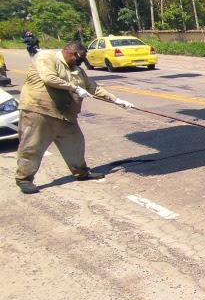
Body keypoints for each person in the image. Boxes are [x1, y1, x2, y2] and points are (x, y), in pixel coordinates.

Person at [15, 41, 136, 194]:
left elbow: (94, 88)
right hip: (39, 111)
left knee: (75, 143)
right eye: (80, 58)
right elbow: (49, 78)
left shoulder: (77, 71)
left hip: (66, 115)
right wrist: (75, 88)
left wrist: (117, 101)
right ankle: (24, 179)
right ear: (72, 52)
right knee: (32, 146)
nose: (81, 62)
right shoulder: (46, 57)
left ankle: (81, 172)